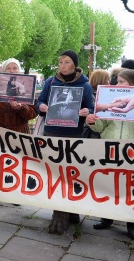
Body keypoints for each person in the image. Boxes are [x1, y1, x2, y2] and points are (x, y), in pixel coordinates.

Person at [86, 69, 134, 240]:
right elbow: (101, 126)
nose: (117, 84)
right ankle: (107, 218)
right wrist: (92, 121)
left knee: (132, 187)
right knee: (109, 184)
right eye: (117, 81)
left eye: (121, 81)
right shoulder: (110, 99)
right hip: (111, 148)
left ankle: (133, 224)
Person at [36, 50, 94, 234]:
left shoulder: (84, 86)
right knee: (55, 174)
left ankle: (69, 211)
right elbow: (39, 103)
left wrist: (86, 112)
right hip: (52, 133)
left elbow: (91, 108)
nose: (62, 65)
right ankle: (61, 213)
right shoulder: (50, 82)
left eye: (66, 62)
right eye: (60, 62)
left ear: (74, 65)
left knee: (70, 174)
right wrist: (42, 107)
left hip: (73, 136)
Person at [0, 58, 38, 206]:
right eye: (9, 68)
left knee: (18, 164)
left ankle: (16, 194)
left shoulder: (27, 91)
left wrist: (20, 108)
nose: (12, 71)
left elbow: (33, 113)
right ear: (4, 71)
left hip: (19, 133)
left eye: (15, 68)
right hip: (0, 132)